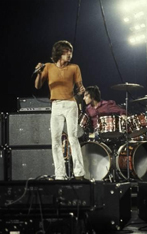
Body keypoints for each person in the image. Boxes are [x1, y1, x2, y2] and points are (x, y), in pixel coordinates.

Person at [34, 40, 86, 180]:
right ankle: (60, 174)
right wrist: (39, 72)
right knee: (55, 140)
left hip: (70, 105)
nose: (69, 54)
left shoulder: (75, 68)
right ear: (59, 53)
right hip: (56, 105)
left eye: (70, 52)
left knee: (73, 138)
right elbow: (38, 86)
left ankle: (79, 173)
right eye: (66, 51)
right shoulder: (48, 67)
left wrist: (81, 90)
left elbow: (80, 87)